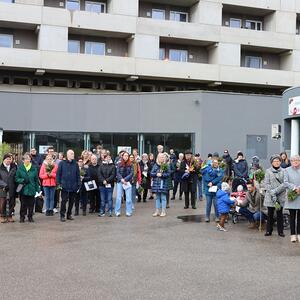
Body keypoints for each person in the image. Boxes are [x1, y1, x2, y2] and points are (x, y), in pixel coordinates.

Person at [264, 155, 286, 237]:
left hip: (280, 195)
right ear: (272, 162)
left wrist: (276, 191)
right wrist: (272, 192)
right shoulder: (268, 171)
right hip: (270, 196)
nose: (276, 162)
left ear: (280, 162)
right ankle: (269, 231)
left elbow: (285, 183)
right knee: (270, 214)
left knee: (280, 214)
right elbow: (266, 183)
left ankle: (280, 231)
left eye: (278, 161)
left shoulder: (284, 171)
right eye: (275, 161)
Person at [15, 153, 41, 223]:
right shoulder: (20, 168)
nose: (27, 160)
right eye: (26, 159)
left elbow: (36, 180)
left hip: (32, 189)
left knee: (31, 204)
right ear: (23, 160)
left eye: (29, 159)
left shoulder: (34, 169)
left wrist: (38, 190)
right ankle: (22, 217)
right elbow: (16, 178)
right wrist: (22, 180)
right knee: (23, 204)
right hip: (23, 190)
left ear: (30, 160)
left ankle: (30, 217)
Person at [56, 150, 81, 222]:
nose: (73, 155)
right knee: (64, 201)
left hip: (73, 186)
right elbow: (58, 174)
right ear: (68, 155)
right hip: (64, 186)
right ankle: (62, 215)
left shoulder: (75, 164)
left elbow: (78, 175)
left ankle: (69, 214)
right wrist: (58, 183)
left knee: (71, 201)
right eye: (71, 154)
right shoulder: (62, 163)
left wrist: (79, 183)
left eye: (73, 153)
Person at [283, 155, 300, 242]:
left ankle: (299, 234)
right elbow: (285, 182)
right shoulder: (287, 170)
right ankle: (293, 235)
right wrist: (295, 188)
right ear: (291, 162)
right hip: (292, 196)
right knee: (292, 217)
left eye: (297, 160)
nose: (295, 162)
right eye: (293, 160)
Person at [151, 153, 171, 217]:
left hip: (163, 183)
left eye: (162, 157)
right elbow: (151, 173)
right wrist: (156, 174)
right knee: (157, 198)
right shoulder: (155, 165)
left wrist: (162, 175)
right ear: (158, 158)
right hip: (156, 184)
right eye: (160, 157)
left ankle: (163, 211)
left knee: (163, 198)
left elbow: (168, 174)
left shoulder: (166, 165)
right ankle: (157, 211)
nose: (161, 158)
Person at [115, 151, 133, 217]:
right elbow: (117, 172)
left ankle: (128, 211)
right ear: (122, 156)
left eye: (127, 156)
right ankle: (117, 211)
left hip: (127, 182)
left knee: (128, 198)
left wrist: (125, 180)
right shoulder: (119, 164)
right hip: (120, 182)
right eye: (124, 155)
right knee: (118, 198)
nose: (126, 157)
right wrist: (122, 179)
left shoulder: (131, 164)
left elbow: (131, 173)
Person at [0, 153, 17, 223]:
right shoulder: (0, 168)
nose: (9, 160)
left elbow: (16, 177)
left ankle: (10, 216)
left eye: (10, 159)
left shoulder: (14, 167)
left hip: (12, 187)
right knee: (2, 202)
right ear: (4, 160)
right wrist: (4, 185)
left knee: (12, 202)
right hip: (2, 188)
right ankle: (2, 216)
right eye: (7, 159)